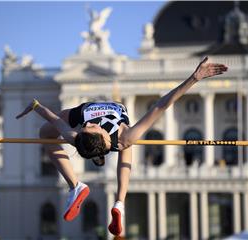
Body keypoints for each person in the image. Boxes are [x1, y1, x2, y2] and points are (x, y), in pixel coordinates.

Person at [16, 56, 228, 236]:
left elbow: (52, 118)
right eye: (91, 128)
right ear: (100, 137)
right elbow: (162, 105)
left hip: (82, 110)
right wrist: (193, 79)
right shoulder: (123, 136)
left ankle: (79, 187)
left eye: (86, 128)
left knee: (45, 134)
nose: (89, 125)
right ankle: (119, 202)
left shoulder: (76, 135)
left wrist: (35, 105)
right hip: (113, 122)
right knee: (127, 146)